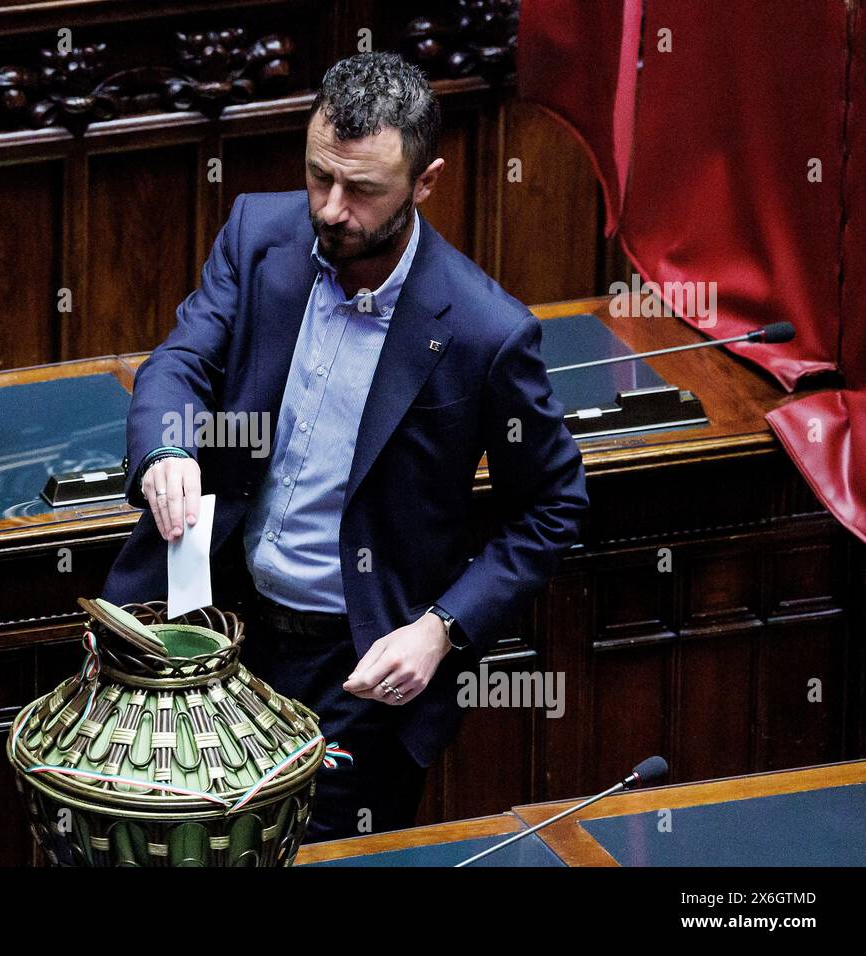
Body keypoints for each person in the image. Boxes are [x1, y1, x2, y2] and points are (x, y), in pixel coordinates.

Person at [102, 51, 587, 843]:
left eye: (362, 190)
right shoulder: (261, 237)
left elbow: (553, 507)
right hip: (215, 620)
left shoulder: (484, 333)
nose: (330, 210)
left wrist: (441, 629)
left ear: (425, 182)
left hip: (356, 674)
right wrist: (166, 450)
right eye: (318, 176)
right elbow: (182, 360)